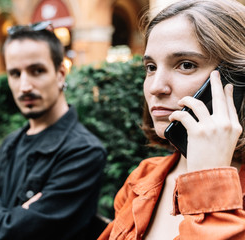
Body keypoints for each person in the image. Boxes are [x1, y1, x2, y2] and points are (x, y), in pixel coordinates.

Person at [98, 0, 245, 239]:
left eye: (185, 65)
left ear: (236, 80)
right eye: (151, 67)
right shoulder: (143, 179)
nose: (155, 87)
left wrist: (212, 184)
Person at [0, 21, 107, 240]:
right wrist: (2, 217)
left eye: (37, 71)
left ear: (60, 73)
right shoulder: (12, 142)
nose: (24, 86)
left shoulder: (83, 152)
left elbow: (9, 236)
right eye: (15, 74)